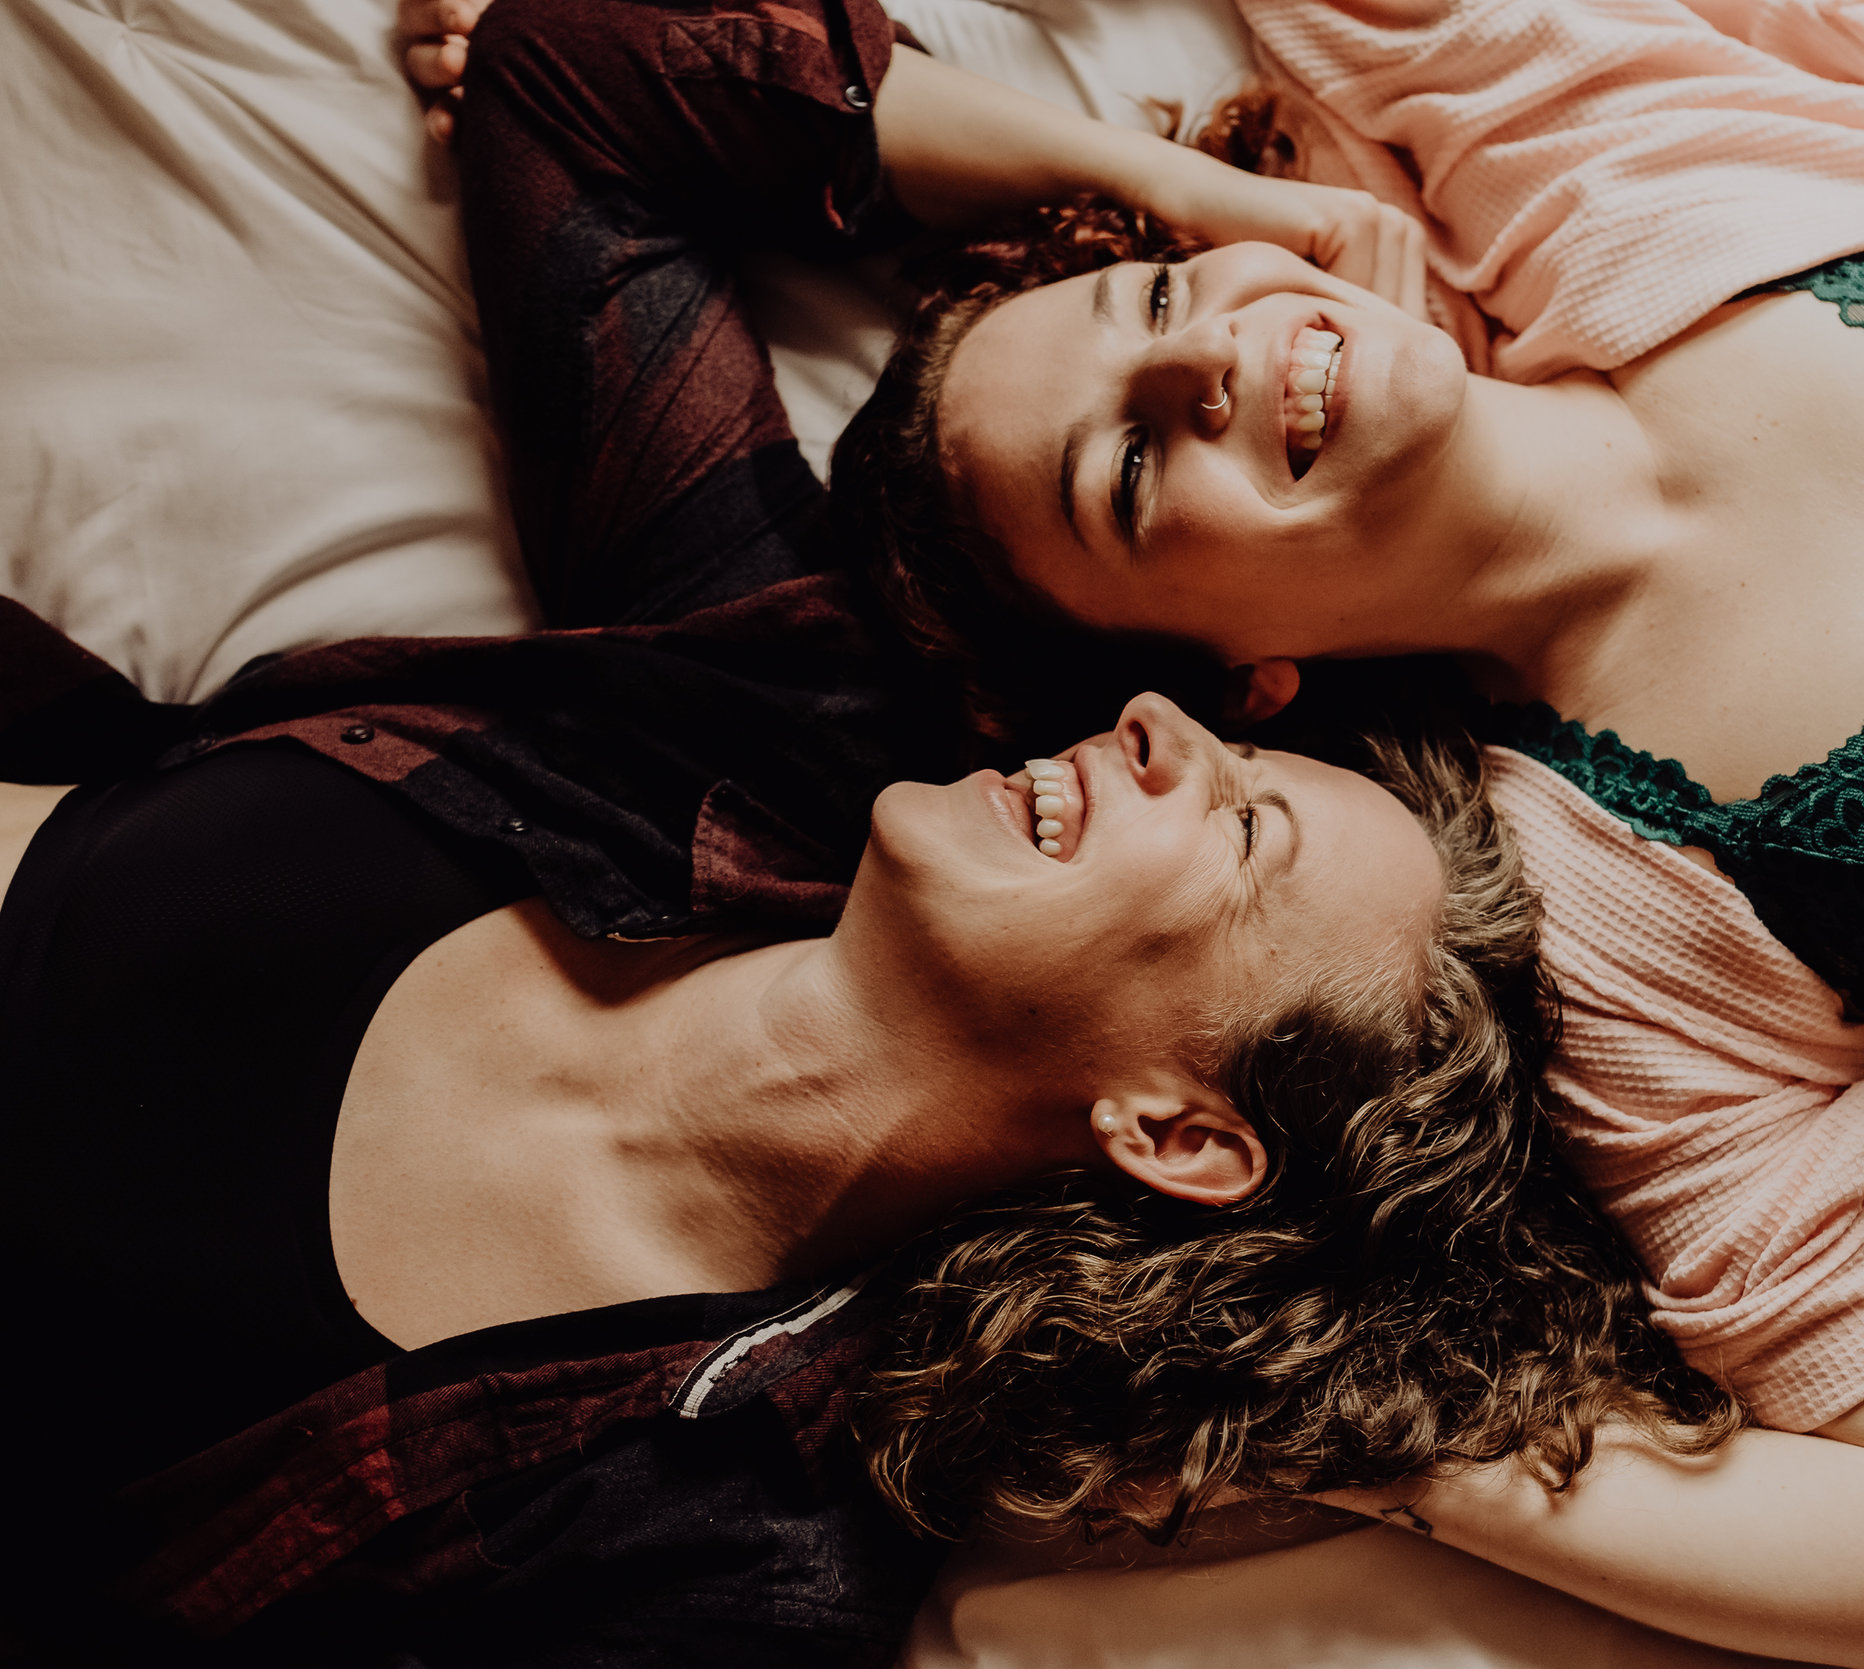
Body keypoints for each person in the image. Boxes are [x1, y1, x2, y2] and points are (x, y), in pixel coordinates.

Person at [0, 0, 1732, 1660]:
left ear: (1182, 1136)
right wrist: (1222, 209)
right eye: (1222, 738)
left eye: (1248, 831)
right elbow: (571, 81)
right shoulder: (768, 728)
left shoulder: (711, 1548)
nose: (1159, 731)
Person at [796, 0, 1864, 1638]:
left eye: (1157, 298)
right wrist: (1363, 1443)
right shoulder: (1616, 903)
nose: (1206, 356)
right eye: (1135, 470)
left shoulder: (1587, 191)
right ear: (1240, 679)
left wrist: (1216, 202)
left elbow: (573, 64)